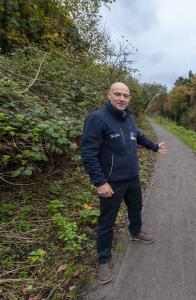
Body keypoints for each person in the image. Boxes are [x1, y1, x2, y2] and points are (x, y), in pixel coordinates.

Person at [80, 82, 167, 284]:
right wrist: (100, 182)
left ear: (129, 99)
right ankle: (103, 259)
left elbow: (138, 137)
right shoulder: (96, 119)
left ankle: (135, 232)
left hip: (132, 178)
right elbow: (88, 153)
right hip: (111, 183)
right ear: (109, 94)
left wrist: (154, 147)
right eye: (117, 94)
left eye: (125, 95)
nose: (121, 98)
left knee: (136, 209)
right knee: (107, 222)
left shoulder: (128, 118)